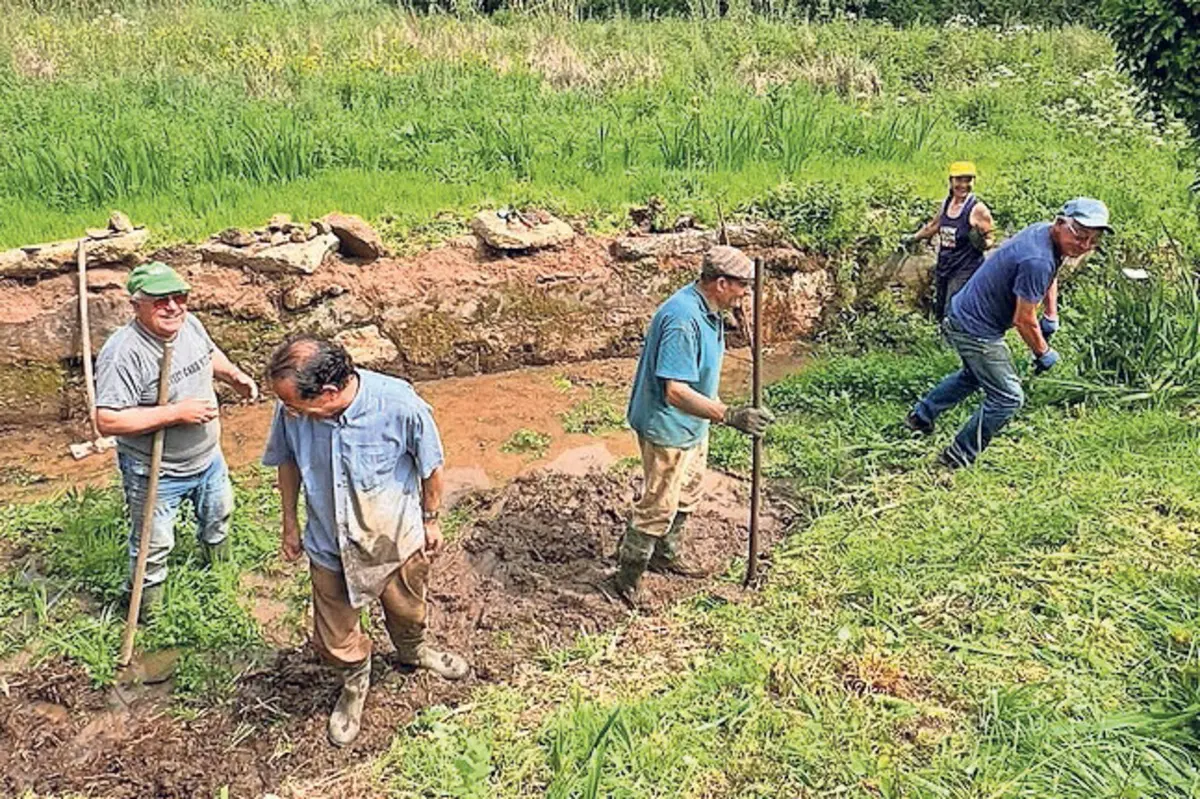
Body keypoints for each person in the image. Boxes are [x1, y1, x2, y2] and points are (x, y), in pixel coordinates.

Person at [261, 335, 468, 747]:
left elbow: (431, 467)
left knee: (409, 612)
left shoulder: (400, 404)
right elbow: (287, 461)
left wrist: (430, 520)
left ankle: (414, 652)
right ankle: (354, 683)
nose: (290, 412)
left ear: (330, 392)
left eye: (298, 405)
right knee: (335, 634)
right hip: (327, 544)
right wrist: (289, 522)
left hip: (393, 541)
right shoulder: (293, 412)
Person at [607, 245, 776, 606]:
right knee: (658, 504)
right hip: (668, 426)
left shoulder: (710, 308)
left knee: (688, 491)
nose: (747, 295)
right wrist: (730, 415)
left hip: (693, 425)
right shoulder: (683, 320)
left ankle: (667, 554)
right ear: (720, 283)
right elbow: (676, 392)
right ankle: (628, 578)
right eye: (742, 287)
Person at [95, 262, 258, 618]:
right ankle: (147, 614)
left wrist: (233, 375)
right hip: (157, 470)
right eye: (160, 300)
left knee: (219, 517)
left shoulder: (189, 325)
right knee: (154, 546)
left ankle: (221, 577)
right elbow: (107, 420)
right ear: (136, 304)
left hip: (207, 458)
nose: (173, 306)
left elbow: (208, 354)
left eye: (179, 296)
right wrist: (174, 414)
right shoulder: (124, 352)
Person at [904, 198, 1112, 468]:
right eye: (1081, 237)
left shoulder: (1044, 233)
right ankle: (955, 457)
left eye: (1092, 241)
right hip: (974, 329)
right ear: (1061, 224)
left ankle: (920, 417)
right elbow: (1024, 320)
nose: (1084, 246)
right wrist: (1043, 352)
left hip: (964, 312)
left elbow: (1051, 274)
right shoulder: (1036, 258)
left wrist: (1051, 314)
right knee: (1007, 397)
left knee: (972, 376)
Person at [904, 161, 995, 320]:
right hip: (946, 264)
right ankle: (940, 341)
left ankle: (952, 342)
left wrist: (981, 242)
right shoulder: (946, 203)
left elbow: (991, 239)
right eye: (959, 180)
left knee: (952, 309)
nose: (963, 185)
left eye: (968, 180)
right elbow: (934, 226)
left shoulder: (978, 209)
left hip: (965, 268)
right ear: (951, 181)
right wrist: (913, 238)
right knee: (939, 308)